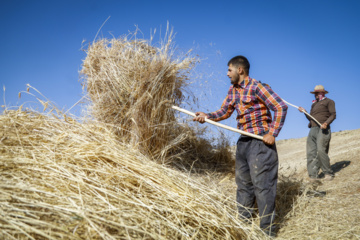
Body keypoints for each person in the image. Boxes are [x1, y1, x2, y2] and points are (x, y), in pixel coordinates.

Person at [193, 56, 288, 237]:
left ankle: (267, 231)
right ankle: (243, 227)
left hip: (260, 142)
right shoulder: (232, 90)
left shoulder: (257, 87)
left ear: (240, 70)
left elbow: (280, 106)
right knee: (243, 185)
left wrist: (272, 133)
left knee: (263, 186)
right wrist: (207, 116)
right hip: (243, 142)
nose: (227, 73)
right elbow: (224, 111)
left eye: (229, 70)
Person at [298, 85, 336, 181]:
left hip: (323, 129)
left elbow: (333, 114)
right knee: (311, 152)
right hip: (313, 129)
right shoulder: (314, 104)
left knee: (321, 150)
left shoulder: (329, 101)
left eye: (317, 93)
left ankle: (328, 173)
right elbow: (311, 118)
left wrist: (326, 123)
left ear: (322, 93)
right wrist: (305, 112)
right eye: (315, 93)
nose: (315, 95)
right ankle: (313, 176)